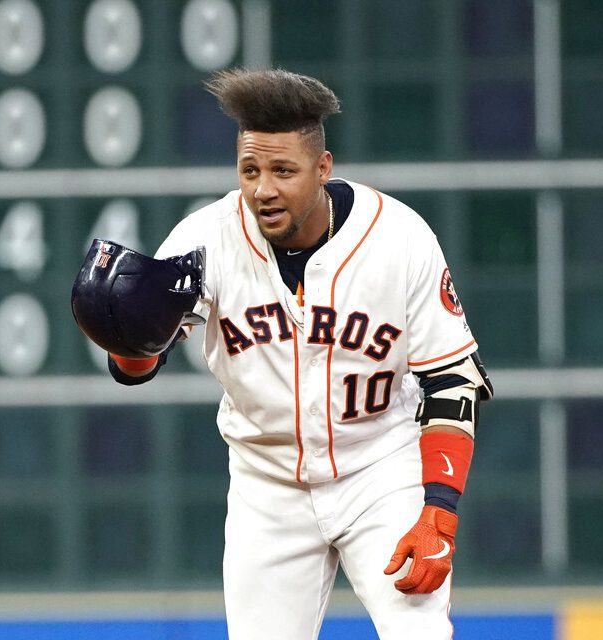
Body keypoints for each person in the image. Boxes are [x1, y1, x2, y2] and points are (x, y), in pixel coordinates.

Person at [97, 68, 492, 640]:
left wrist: (440, 510)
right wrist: (128, 342)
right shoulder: (203, 241)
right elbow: (139, 365)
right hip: (267, 480)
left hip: (379, 465)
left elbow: (453, 380)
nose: (263, 188)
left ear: (323, 169)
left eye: (283, 170)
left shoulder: (400, 238)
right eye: (250, 170)